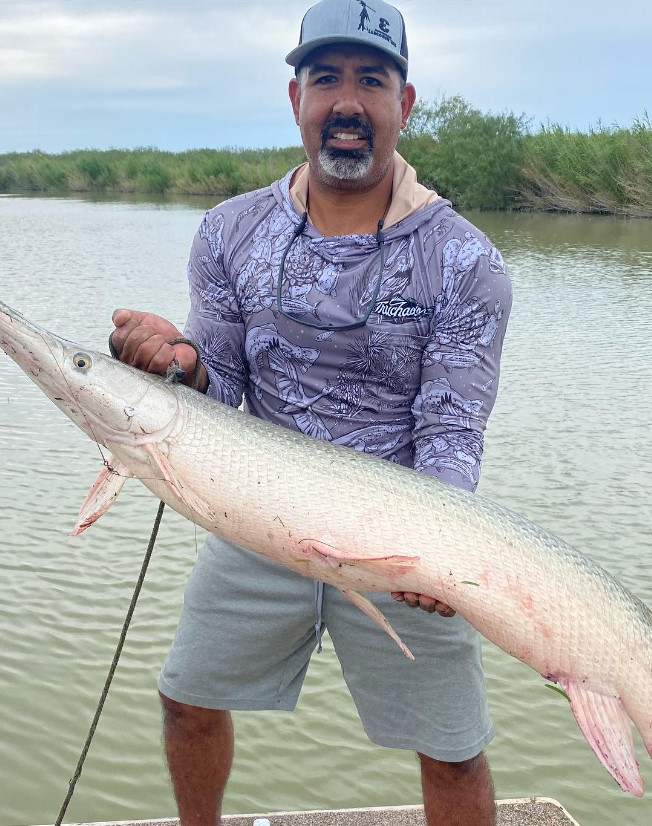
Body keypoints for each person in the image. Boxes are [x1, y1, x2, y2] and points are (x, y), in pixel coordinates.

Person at [109, 1, 513, 823]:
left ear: (404, 104)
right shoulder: (229, 231)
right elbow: (215, 378)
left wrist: (437, 550)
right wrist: (179, 362)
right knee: (184, 699)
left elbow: (451, 425)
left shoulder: (464, 259)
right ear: (295, 98)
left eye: (372, 79)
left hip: (403, 531)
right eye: (325, 78)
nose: (347, 102)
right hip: (257, 521)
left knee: (454, 749)